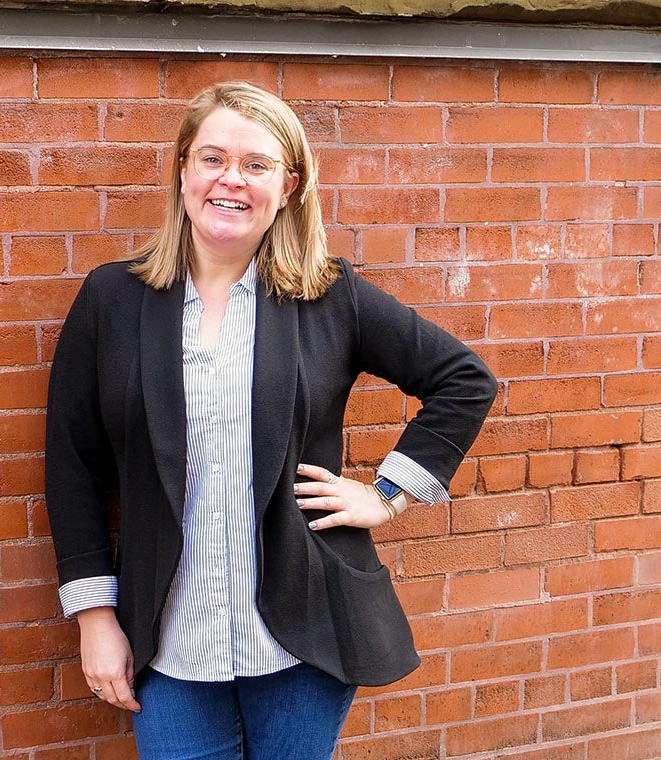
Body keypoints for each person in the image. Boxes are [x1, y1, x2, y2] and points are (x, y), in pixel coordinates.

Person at [44, 81, 496, 760]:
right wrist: (95, 617)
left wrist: (386, 497)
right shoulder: (114, 300)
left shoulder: (329, 295)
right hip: (168, 645)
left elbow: (464, 380)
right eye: (213, 159)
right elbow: (72, 465)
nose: (232, 180)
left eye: (256, 165)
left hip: (302, 640)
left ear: (287, 187)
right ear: (183, 170)